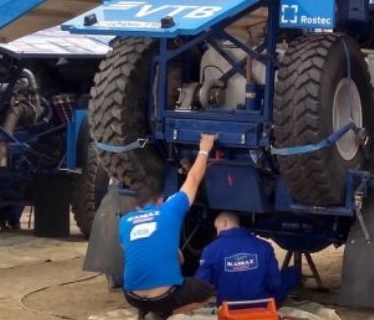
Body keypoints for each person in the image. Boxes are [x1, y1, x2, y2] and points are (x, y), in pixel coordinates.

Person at [118, 134, 217, 319]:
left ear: (137, 206)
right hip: (165, 296)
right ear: (160, 200)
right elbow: (193, 179)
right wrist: (205, 148)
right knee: (206, 292)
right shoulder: (170, 210)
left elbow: (136, 251)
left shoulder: (125, 221)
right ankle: (161, 314)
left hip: (131, 296)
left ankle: (145, 312)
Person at [196, 211, 301, 307]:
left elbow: (200, 284)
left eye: (216, 228)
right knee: (293, 273)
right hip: (261, 306)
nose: (217, 233)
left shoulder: (210, 249)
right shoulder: (264, 246)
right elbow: (275, 284)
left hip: (227, 308)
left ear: (223, 223)